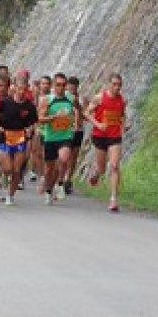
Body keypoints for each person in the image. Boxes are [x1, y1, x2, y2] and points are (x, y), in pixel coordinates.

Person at [86, 73, 129, 212]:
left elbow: (122, 115)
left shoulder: (122, 100)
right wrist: (98, 124)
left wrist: (125, 124)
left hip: (115, 136)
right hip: (100, 136)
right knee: (102, 169)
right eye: (114, 84)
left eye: (119, 85)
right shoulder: (99, 98)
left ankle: (113, 199)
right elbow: (87, 113)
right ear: (108, 84)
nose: (117, 87)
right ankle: (96, 172)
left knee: (114, 166)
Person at [0, 75, 37, 205]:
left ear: (27, 89)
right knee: (7, 168)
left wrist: (30, 129)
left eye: (24, 89)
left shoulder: (30, 107)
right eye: (19, 89)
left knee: (16, 169)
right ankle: (1, 173)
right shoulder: (5, 102)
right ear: (15, 88)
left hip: (20, 138)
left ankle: (10, 195)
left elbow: (33, 123)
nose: (21, 92)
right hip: (5, 136)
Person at [37, 73, 77, 205]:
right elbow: (40, 119)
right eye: (58, 85)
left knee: (64, 159)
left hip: (65, 136)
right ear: (53, 86)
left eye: (63, 85)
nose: (61, 88)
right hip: (50, 138)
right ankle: (49, 190)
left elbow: (78, 109)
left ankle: (60, 183)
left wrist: (76, 122)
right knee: (50, 170)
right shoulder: (47, 100)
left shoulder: (70, 98)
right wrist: (53, 117)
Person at [63, 76, 85, 195]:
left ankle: (68, 179)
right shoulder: (62, 98)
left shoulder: (82, 99)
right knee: (64, 156)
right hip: (65, 131)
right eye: (70, 87)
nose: (71, 89)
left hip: (78, 131)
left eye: (74, 87)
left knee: (74, 157)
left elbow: (84, 113)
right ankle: (61, 178)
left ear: (77, 87)